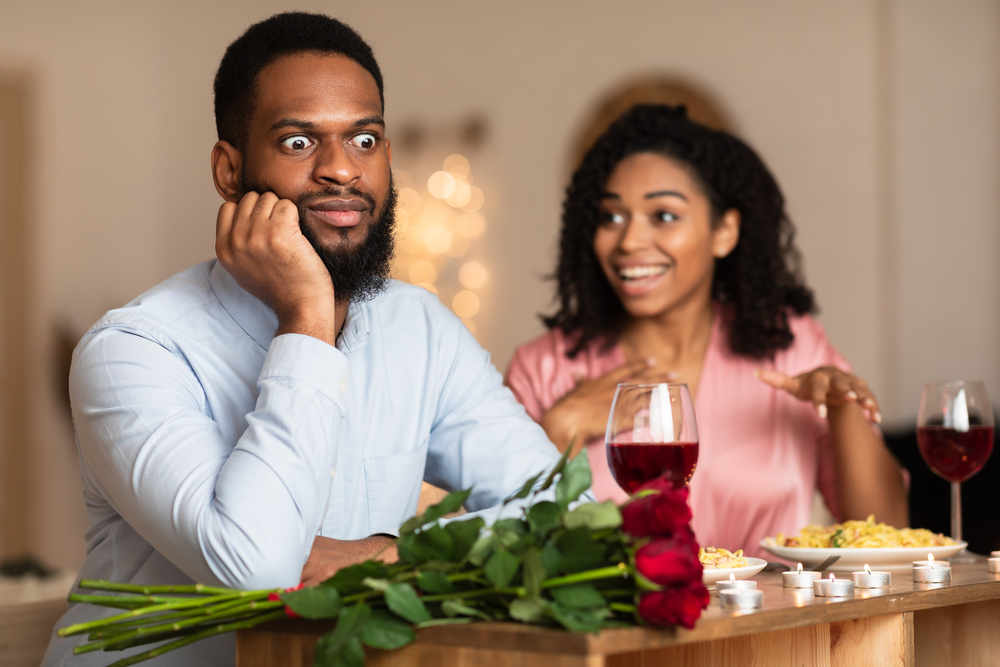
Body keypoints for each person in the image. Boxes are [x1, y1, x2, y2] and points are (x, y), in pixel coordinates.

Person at [44, 13, 560, 666]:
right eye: (298, 143)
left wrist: (390, 550)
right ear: (229, 171)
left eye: (364, 139)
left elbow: (559, 512)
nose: (341, 170)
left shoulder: (420, 329)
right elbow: (256, 569)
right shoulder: (132, 351)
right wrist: (308, 314)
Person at [506, 104, 907, 558]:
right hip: (612, 630)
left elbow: (888, 531)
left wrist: (842, 408)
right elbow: (495, 548)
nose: (629, 241)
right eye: (611, 218)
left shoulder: (790, 348)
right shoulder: (543, 368)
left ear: (724, 232)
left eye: (664, 216)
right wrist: (559, 429)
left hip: (775, 628)